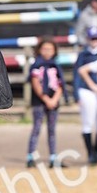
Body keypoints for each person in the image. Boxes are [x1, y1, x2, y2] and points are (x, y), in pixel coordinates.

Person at [26, 38, 69, 168]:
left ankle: (53, 157)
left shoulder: (55, 65)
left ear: (55, 51)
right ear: (39, 50)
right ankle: (30, 157)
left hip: (53, 101)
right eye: (44, 48)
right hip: (39, 101)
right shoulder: (36, 65)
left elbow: (60, 84)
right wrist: (46, 99)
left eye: (50, 49)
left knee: (52, 130)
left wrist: (55, 99)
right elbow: (35, 83)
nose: (47, 51)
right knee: (37, 128)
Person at [74, 26, 97, 165]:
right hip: (86, 90)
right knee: (88, 122)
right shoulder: (83, 55)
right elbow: (77, 73)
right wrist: (76, 95)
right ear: (88, 39)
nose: (95, 41)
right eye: (92, 38)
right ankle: (90, 153)